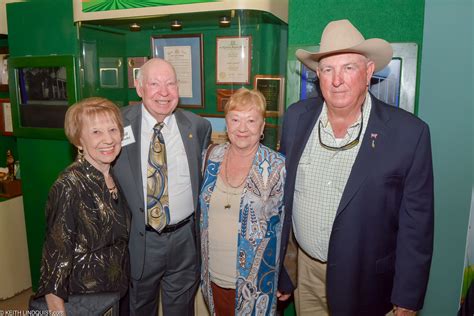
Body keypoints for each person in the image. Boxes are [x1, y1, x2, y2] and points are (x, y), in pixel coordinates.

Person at [279, 19, 434, 316]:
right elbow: (281, 201)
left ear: (368, 72)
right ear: (317, 75)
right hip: (306, 276)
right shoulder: (296, 118)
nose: (337, 80)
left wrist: (408, 299)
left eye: (348, 67)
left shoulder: (408, 134)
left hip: (368, 285)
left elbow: (418, 226)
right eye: (327, 69)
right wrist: (281, 266)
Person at [113, 58, 212, 315]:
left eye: (170, 84)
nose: (164, 92)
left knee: (181, 309)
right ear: (139, 88)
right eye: (154, 84)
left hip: (184, 240)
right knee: (138, 308)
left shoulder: (198, 126)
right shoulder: (116, 124)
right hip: (139, 240)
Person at [36, 97, 130, 314]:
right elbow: (55, 263)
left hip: (116, 296)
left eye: (113, 130)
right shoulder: (69, 186)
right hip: (82, 302)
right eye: (96, 132)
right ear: (79, 141)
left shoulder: (114, 175)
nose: (108, 139)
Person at [199, 88, 286, 315]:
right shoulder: (211, 158)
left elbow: (288, 226)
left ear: (262, 126)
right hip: (213, 275)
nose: (242, 128)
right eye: (235, 119)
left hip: (257, 283)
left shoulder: (277, 166)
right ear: (226, 124)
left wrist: (288, 274)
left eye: (251, 120)